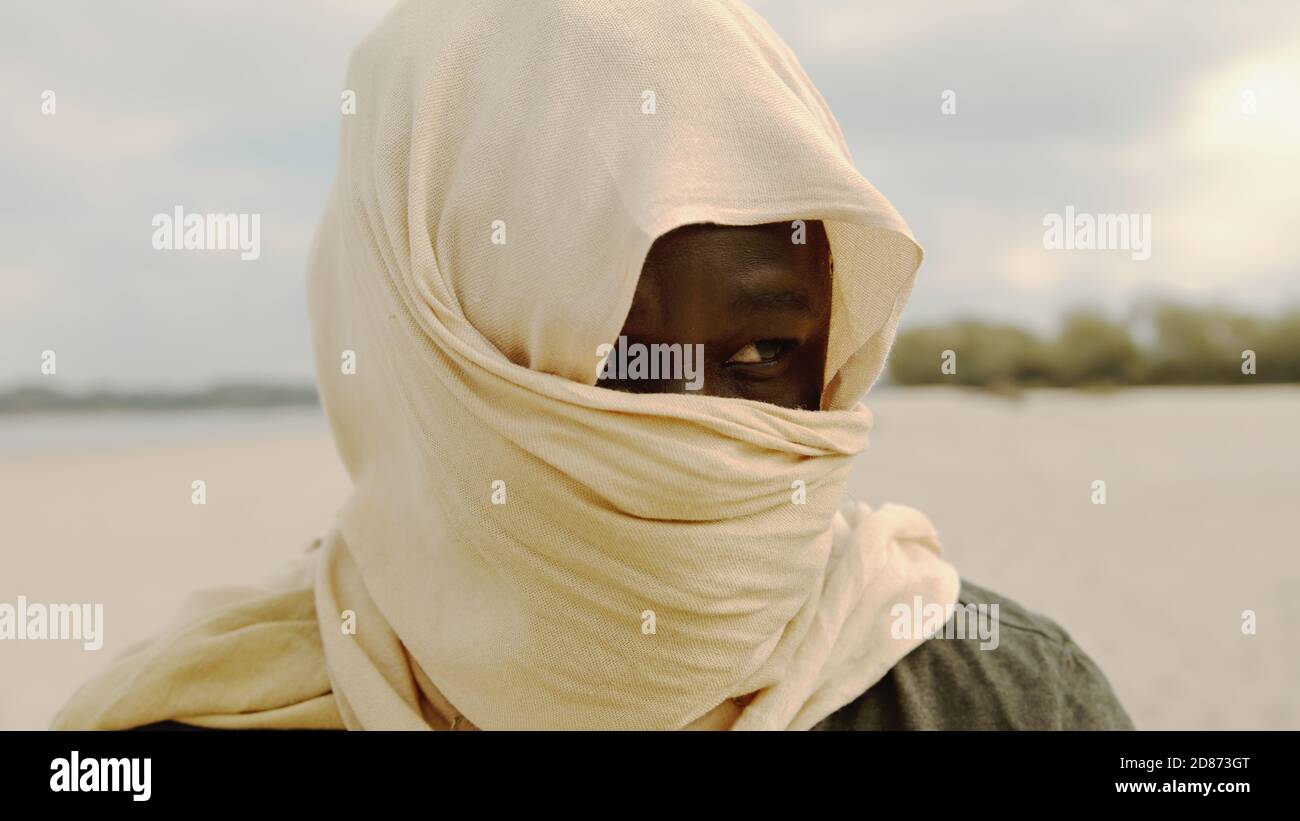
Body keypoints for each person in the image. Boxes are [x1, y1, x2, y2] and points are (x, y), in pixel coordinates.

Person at [52, 0, 1132, 731]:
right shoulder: (187, 723)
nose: (698, 446)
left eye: (764, 351)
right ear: (423, 366)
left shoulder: (998, 701)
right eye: (612, 355)